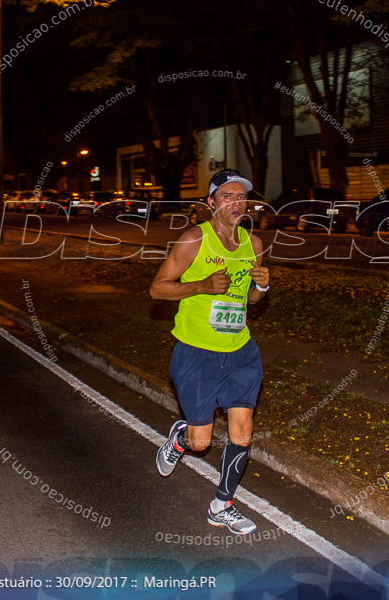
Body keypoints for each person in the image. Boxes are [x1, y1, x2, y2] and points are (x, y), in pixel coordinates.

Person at [149, 169, 271, 535]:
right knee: (200, 443)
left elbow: (248, 299)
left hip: (240, 350)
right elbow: (157, 289)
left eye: (241, 196)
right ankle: (180, 437)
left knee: (242, 430)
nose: (237, 202)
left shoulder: (255, 244)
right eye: (228, 196)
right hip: (197, 351)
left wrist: (262, 288)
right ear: (211, 203)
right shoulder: (192, 240)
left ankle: (223, 504)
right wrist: (200, 285)